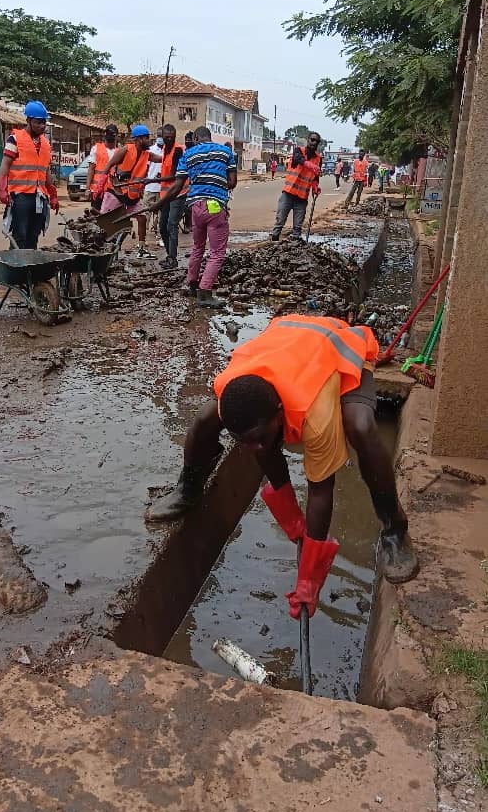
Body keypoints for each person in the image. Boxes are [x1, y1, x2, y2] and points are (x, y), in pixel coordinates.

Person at [146, 314, 419, 615]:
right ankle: (188, 489)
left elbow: (320, 490)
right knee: (202, 421)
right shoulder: (231, 398)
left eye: (261, 438)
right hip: (289, 339)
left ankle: (395, 529)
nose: (256, 449)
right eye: (244, 441)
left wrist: (309, 580)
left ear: (280, 411)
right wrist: (292, 521)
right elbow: (258, 447)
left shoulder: (315, 417)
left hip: (339, 345)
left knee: (361, 426)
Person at [149, 125, 237, 307]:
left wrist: (158, 204)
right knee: (217, 253)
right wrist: (217, 184)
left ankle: (191, 283)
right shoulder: (225, 152)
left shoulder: (188, 155)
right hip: (214, 207)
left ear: (196, 138)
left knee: (198, 247)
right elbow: (232, 182)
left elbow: (177, 186)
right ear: (209, 137)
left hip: (195, 207)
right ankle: (204, 293)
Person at [0, 100, 59, 250]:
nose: (42, 126)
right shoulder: (15, 139)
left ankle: (29, 269)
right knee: (20, 235)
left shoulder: (45, 143)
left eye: (44, 123)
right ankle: (16, 268)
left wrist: (53, 194)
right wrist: (2, 189)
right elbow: (5, 164)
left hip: (40, 196)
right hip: (21, 196)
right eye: (38, 123)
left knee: (33, 236)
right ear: (28, 121)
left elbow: (46, 171)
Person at [98, 124, 160, 258]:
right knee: (105, 221)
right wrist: (101, 182)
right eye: (146, 138)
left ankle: (142, 248)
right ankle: (101, 248)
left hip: (132, 196)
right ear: (138, 139)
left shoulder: (146, 154)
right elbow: (109, 165)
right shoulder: (125, 150)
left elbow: (162, 159)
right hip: (116, 192)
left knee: (142, 218)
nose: (149, 141)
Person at [270, 132, 322, 241]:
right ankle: (273, 242)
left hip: (302, 197)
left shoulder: (318, 159)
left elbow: (316, 176)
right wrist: (309, 164)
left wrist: (315, 186)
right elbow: (298, 159)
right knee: (280, 222)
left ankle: (295, 247)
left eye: (317, 141)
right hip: (289, 193)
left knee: (298, 227)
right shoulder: (299, 151)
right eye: (312, 140)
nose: (314, 143)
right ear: (308, 140)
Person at [157, 124, 184, 270]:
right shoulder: (165, 150)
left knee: (171, 225)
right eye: (166, 137)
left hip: (178, 194)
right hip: (167, 194)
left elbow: (174, 174)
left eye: (171, 137)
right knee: (162, 227)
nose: (168, 139)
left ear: (174, 136)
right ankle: (169, 255)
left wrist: (157, 179)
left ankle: (172, 258)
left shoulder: (178, 150)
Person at [85, 124, 118, 210]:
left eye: (113, 134)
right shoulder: (96, 148)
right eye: (109, 133)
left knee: (109, 217)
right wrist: (87, 189)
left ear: (116, 136)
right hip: (97, 191)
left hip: (112, 191)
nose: (110, 136)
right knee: (95, 216)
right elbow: (91, 169)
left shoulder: (119, 152)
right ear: (105, 135)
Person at [141, 130, 164, 235]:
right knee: (146, 212)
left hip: (162, 188)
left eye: (162, 136)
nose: (161, 138)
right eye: (159, 136)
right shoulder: (150, 150)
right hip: (150, 187)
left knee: (160, 214)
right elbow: (145, 168)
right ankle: (143, 236)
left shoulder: (167, 151)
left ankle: (158, 234)